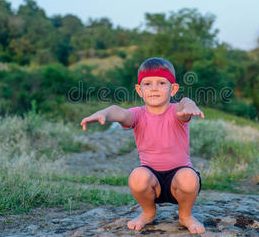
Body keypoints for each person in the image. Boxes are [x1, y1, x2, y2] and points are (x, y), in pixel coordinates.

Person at [80, 57, 205, 234]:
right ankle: (148, 213)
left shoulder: (178, 111)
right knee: (137, 176)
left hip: (179, 180)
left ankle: (185, 215)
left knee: (188, 178)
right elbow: (119, 112)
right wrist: (104, 113)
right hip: (152, 181)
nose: (154, 88)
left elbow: (185, 102)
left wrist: (190, 106)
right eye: (147, 84)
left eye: (161, 82)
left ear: (173, 89)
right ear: (139, 90)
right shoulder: (138, 114)